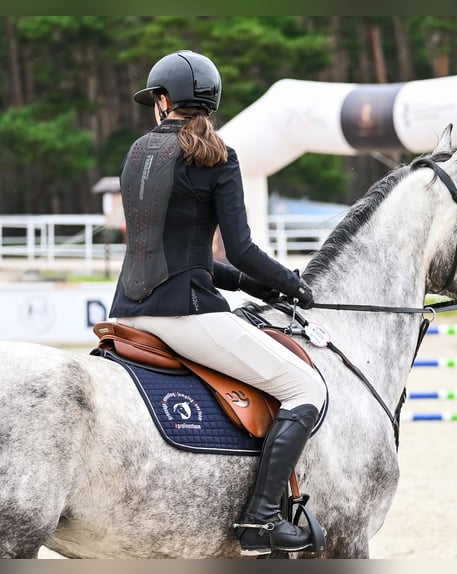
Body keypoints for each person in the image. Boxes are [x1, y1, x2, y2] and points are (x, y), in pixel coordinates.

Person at [109, 49, 325, 556]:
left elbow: (176, 253)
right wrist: (293, 285)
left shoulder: (138, 152)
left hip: (127, 313)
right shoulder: (218, 157)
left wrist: (250, 287)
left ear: (164, 101)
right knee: (304, 386)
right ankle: (261, 521)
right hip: (185, 317)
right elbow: (243, 249)